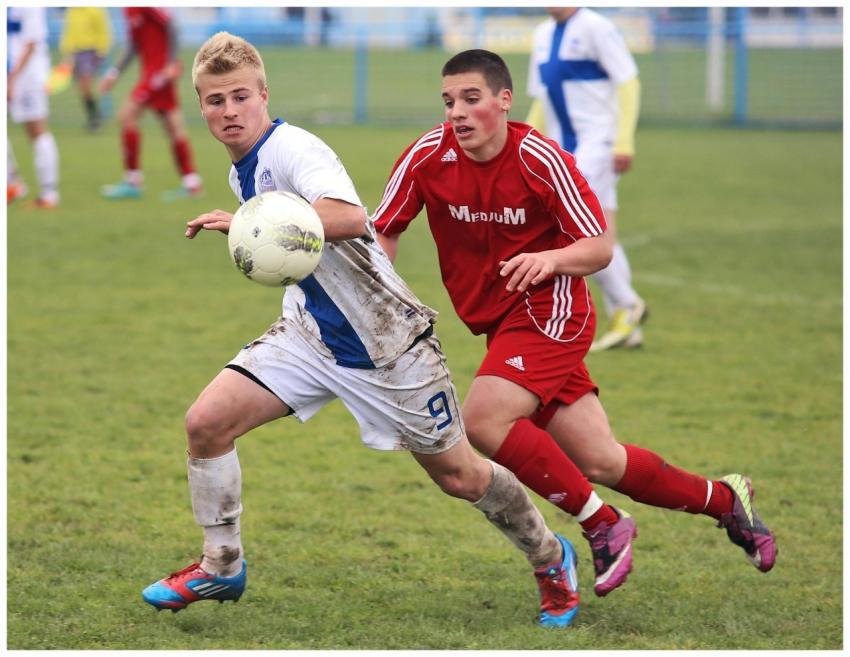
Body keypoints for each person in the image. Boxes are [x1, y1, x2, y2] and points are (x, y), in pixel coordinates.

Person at [141, 32, 587, 629]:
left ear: (263, 94)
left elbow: (353, 218)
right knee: (206, 423)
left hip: (388, 347)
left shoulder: (295, 149)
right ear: (200, 105)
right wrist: (255, 222)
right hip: (310, 336)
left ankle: (549, 554)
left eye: (240, 97)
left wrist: (257, 221)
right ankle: (221, 565)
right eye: (215, 101)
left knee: (461, 475)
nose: (228, 112)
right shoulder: (242, 171)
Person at [373, 49, 777, 586]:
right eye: (449, 102)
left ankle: (603, 523)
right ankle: (727, 501)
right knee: (601, 462)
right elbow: (384, 228)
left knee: (485, 421)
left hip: (551, 311)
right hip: (501, 323)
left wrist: (550, 259)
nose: (457, 113)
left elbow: (599, 247)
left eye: (472, 99)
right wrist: (380, 297)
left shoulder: (539, 157)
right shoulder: (428, 155)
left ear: (504, 100)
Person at [526, 7, 646, 351]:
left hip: (598, 145)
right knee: (599, 232)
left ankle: (627, 303)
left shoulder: (597, 27)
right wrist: (527, 140)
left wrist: (623, 140)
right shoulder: (542, 34)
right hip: (566, 151)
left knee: (572, 228)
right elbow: (543, 98)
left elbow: (628, 82)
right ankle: (627, 320)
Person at [99, 7, 202, 201]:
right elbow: (133, 46)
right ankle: (192, 183)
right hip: (153, 73)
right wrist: (114, 74)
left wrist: (171, 63)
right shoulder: (129, 9)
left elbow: (172, 25)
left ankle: (132, 181)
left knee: (127, 115)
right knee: (173, 125)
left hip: (159, 73)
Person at [6, 6, 60, 209]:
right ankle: (12, 184)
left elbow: (31, 44)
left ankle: (49, 194)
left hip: (29, 77)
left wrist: (12, 78)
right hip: (16, 75)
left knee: (37, 131)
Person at [59, 6, 113, 131]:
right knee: (82, 89)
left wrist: (101, 50)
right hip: (74, 53)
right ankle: (94, 114)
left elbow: (103, 31)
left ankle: (94, 118)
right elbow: (68, 34)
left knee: (86, 85)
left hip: (90, 51)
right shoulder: (72, 11)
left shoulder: (96, 10)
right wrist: (67, 53)